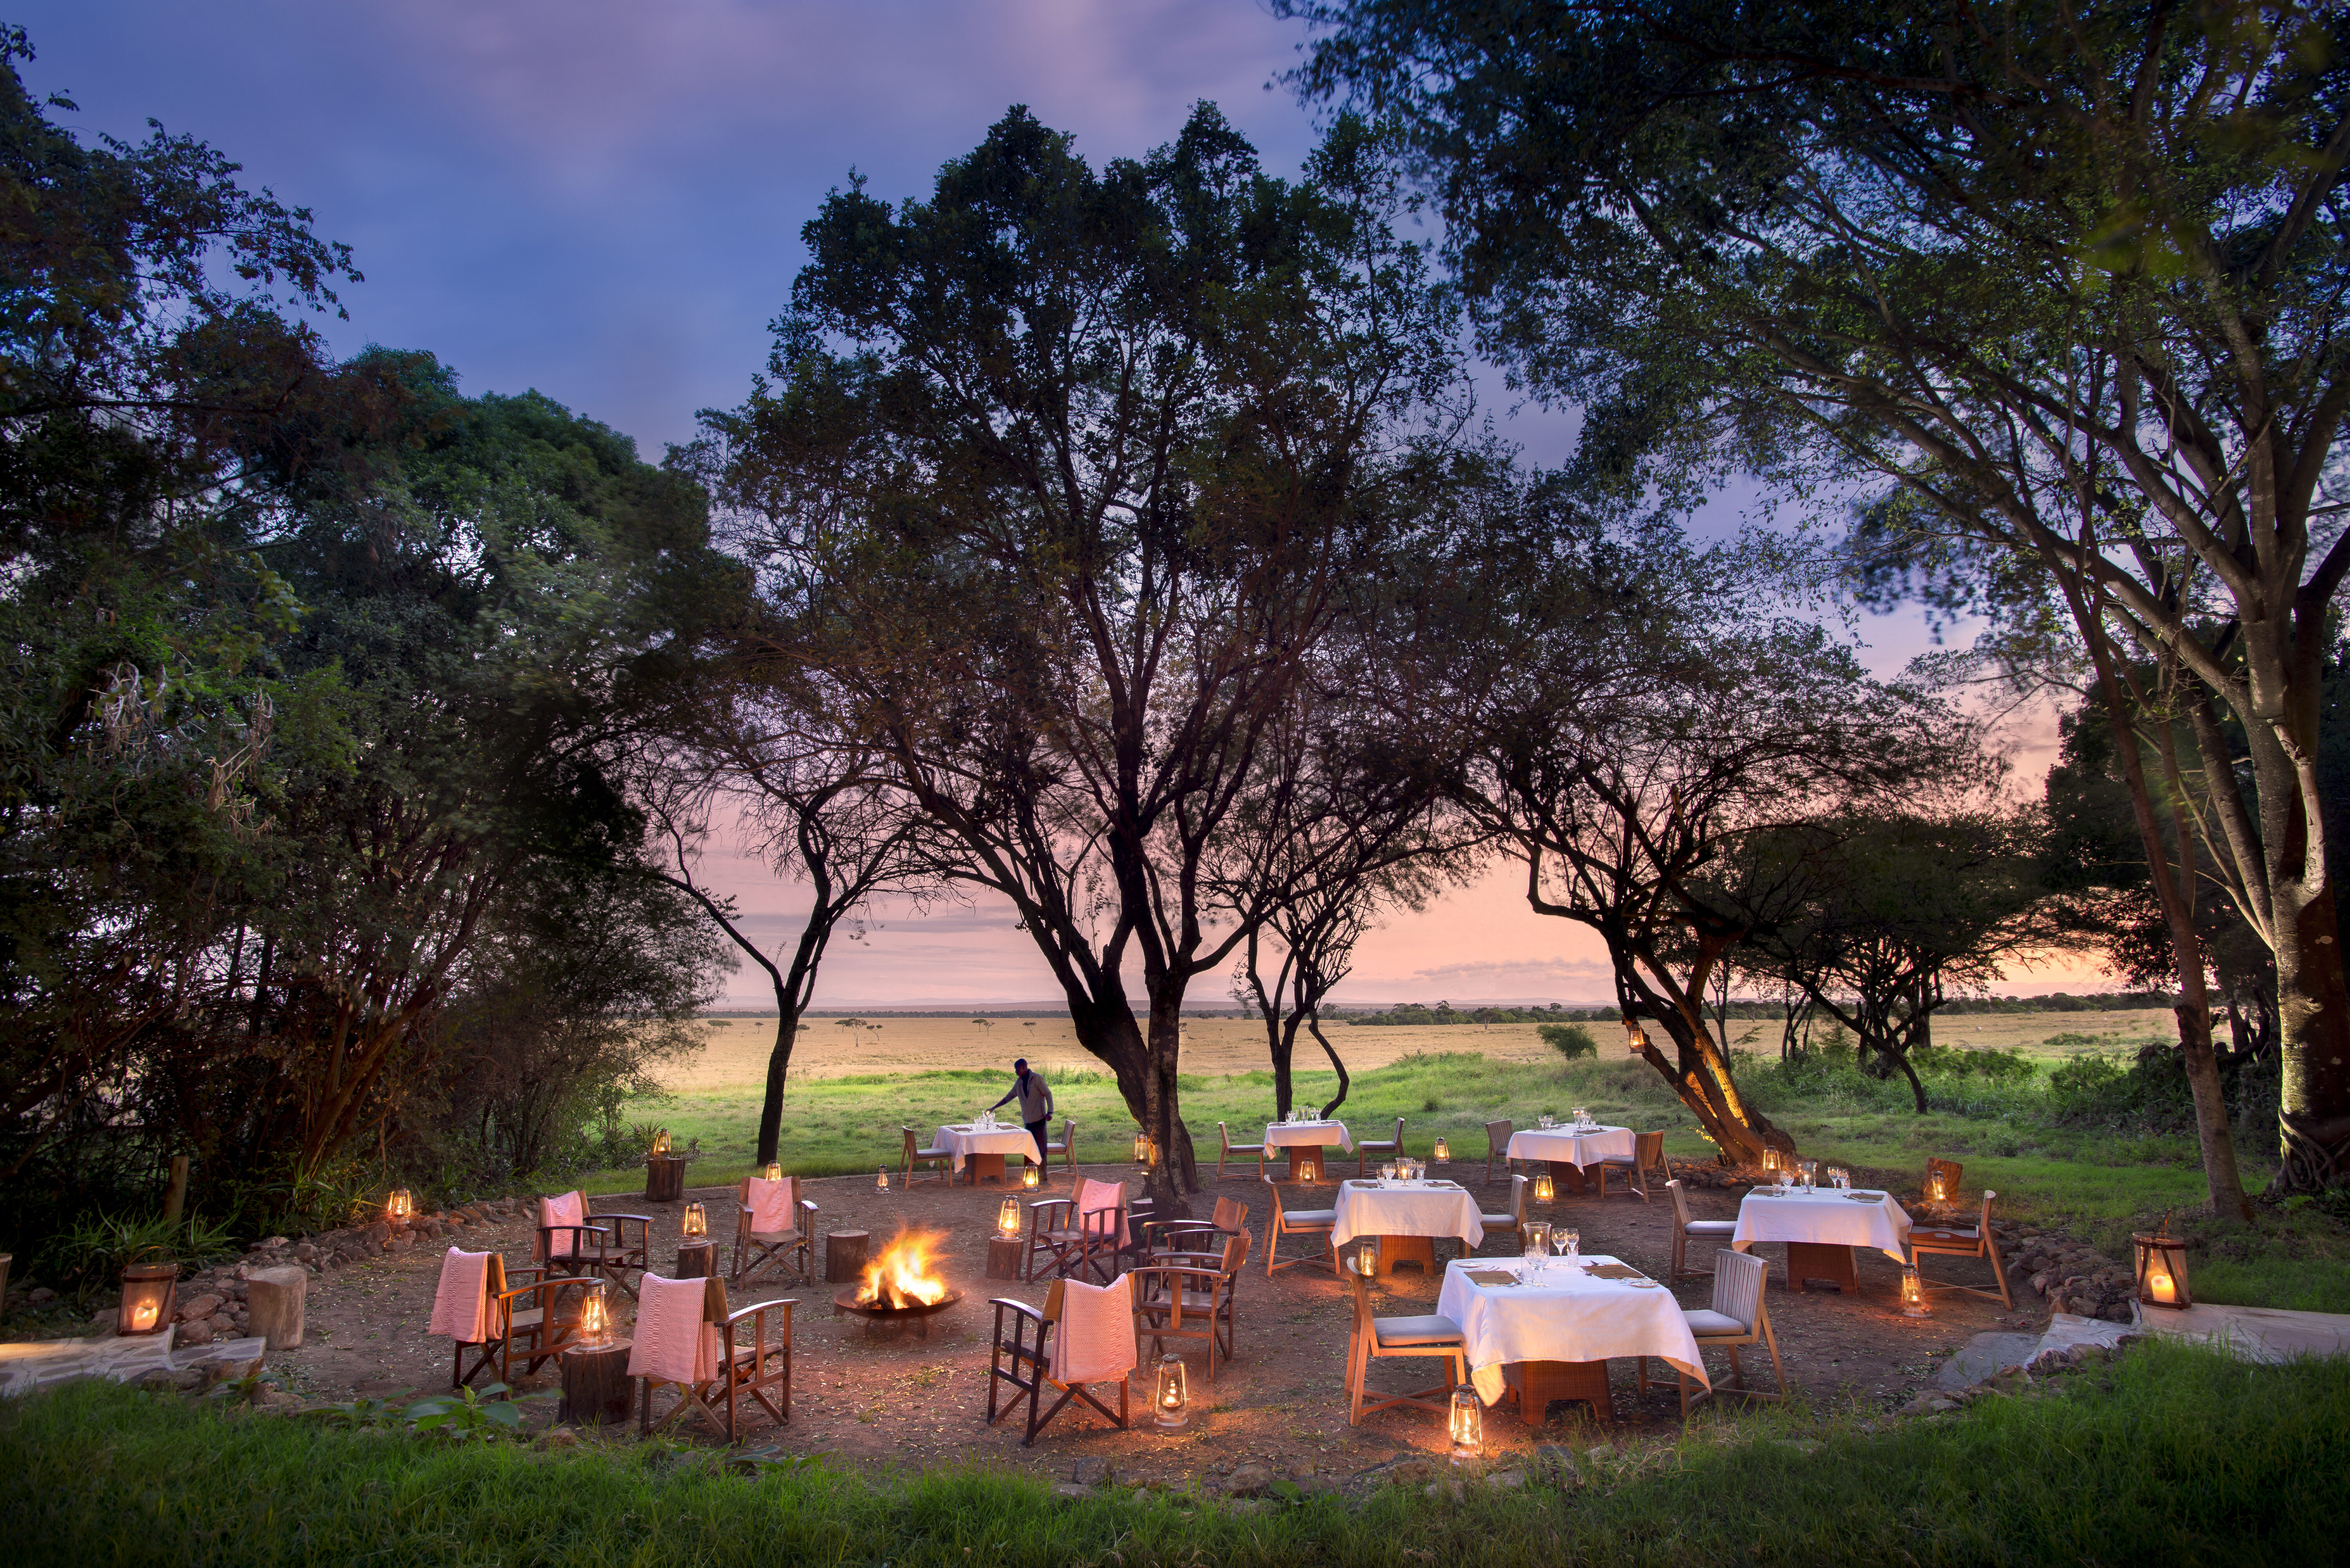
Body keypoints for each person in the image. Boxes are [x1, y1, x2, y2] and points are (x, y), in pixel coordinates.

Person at [989, 1058, 1056, 1178]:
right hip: (1028, 1122)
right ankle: (1029, 1177)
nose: (1016, 1072)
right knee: (1028, 1151)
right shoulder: (1019, 1083)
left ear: (1024, 1068)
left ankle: (1042, 1177)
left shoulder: (1037, 1079)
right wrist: (994, 1108)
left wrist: (1050, 1112)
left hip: (1039, 1120)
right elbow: (1009, 1097)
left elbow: (1048, 1094)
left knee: (1041, 1150)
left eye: (1017, 1069)